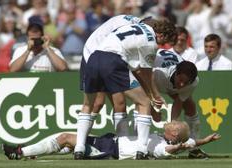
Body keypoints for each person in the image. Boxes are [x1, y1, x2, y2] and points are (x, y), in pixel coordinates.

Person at [75, 19, 175, 160]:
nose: (161, 45)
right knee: (144, 103)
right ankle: (142, 150)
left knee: (88, 105)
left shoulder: (132, 27)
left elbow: (137, 71)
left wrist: (152, 94)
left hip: (93, 58)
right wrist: (154, 96)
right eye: (163, 42)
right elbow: (146, 73)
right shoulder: (151, 41)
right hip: (112, 61)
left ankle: (79, 148)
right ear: (162, 35)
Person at [2, 120, 221, 160]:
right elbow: (189, 144)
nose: (171, 122)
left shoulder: (161, 145)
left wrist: (181, 146)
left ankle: (19, 153)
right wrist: (205, 141)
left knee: (66, 138)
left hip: (111, 151)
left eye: (174, 125)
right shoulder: (160, 138)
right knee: (67, 137)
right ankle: (27, 152)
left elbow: (168, 151)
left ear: (174, 135)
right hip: (110, 142)